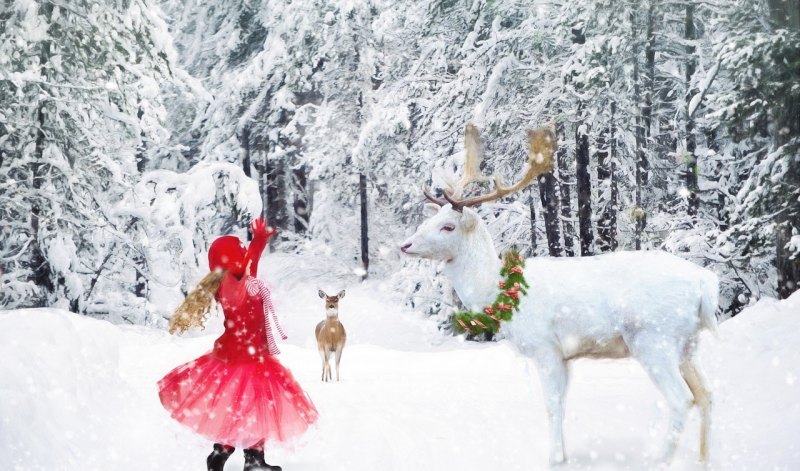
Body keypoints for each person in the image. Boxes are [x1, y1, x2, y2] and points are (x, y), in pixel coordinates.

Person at [158, 218, 318, 471]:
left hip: (246, 355)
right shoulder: (233, 285)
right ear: (230, 260)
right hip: (245, 358)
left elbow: (250, 264)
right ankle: (241, 458)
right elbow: (247, 268)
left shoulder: (238, 278)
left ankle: (232, 456)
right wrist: (255, 244)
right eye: (239, 250)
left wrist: (258, 242)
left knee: (244, 408)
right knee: (252, 407)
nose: (244, 253)